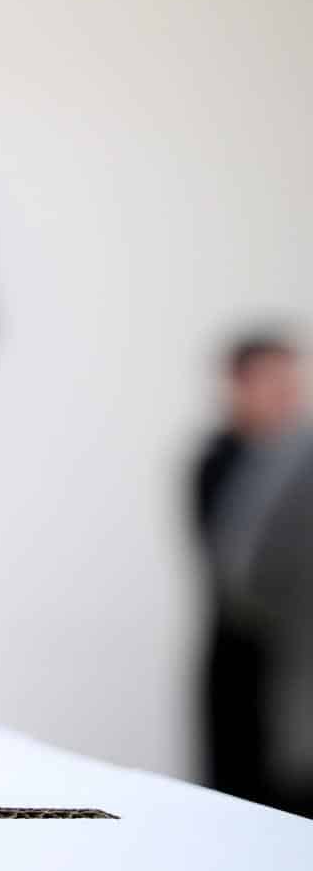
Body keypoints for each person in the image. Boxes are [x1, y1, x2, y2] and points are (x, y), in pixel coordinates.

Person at [192, 332, 313, 816]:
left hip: (294, 667)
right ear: (237, 385)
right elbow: (237, 573)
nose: (288, 393)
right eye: (274, 381)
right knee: (241, 803)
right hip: (242, 659)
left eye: (293, 381)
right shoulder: (218, 463)